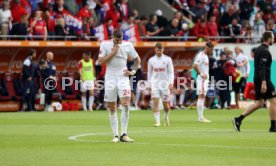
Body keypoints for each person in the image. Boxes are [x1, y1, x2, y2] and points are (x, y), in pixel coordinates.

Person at [98, 29, 141, 142]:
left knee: (126, 104)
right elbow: (100, 62)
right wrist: (112, 53)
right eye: (117, 40)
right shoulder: (105, 44)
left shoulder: (127, 45)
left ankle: (124, 134)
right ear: (113, 37)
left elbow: (138, 60)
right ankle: (115, 135)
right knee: (112, 108)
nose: (119, 42)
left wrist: (132, 72)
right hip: (110, 77)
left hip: (123, 77)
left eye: (121, 39)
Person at [232, 31, 276, 132]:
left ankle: (238, 119)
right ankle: (273, 127)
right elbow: (261, 67)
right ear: (268, 38)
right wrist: (264, 82)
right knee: (273, 101)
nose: (273, 39)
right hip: (263, 79)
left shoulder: (258, 49)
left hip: (258, 79)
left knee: (259, 103)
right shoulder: (265, 51)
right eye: (273, 37)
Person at [147, 43, 174, 127]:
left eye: (161, 49)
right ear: (155, 49)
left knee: (165, 104)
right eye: (158, 49)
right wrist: (149, 84)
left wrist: (171, 82)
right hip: (155, 84)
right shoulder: (151, 60)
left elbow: (171, 72)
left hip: (165, 84)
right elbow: (149, 73)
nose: (159, 51)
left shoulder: (168, 59)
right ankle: (157, 121)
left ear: (163, 49)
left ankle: (166, 116)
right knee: (155, 102)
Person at [192, 42, 214, 123]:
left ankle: (201, 117)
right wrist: (201, 74)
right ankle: (200, 117)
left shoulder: (205, 56)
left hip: (204, 79)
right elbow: (195, 65)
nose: (212, 51)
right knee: (201, 96)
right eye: (211, 49)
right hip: (202, 79)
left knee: (203, 96)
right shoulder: (201, 55)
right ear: (207, 48)